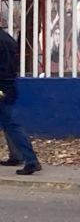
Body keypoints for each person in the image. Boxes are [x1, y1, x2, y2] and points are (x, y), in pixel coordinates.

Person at [0, 26, 40, 176]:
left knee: (11, 125)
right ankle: (17, 156)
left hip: (2, 86)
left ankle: (31, 161)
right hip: (9, 86)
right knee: (8, 123)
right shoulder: (8, 39)